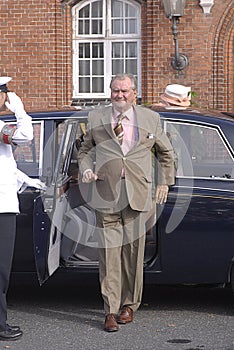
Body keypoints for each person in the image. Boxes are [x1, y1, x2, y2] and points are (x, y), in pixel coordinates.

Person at [78, 73, 175, 332]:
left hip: (138, 193)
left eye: (124, 91)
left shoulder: (150, 119)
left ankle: (129, 305)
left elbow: (165, 152)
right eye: (115, 91)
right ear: (110, 92)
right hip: (105, 193)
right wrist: (86, 169)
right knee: (109, 254)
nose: (119, 95)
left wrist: (164, 182)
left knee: (133, 253)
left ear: (134, 93)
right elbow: (85, 150)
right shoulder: (96, 118)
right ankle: (110, 310)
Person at [0, 76, 33, 341]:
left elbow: (5, 165)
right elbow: (24, 135)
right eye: (6, 95)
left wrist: (25, 179)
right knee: (1, 270)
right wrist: (19, 109)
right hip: (1, 208)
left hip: (4, 204)